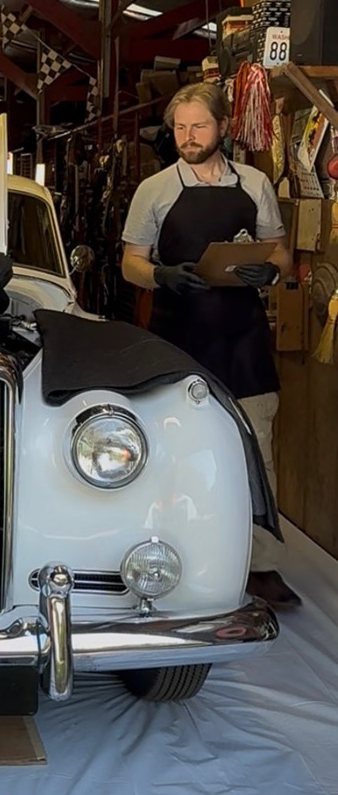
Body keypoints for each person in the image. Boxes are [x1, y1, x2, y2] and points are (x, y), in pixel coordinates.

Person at [120, 82, 301, 610]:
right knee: (178, 449)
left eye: (198, 126)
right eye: (179, 127)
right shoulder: (154, 189)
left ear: (222, 127)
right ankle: (172, 554)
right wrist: (161, 276)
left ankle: (261, 563)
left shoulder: (256, 184)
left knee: (257, 448)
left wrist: (267, 269)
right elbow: (131, 261)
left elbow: (283, 256)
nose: (188, 137)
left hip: (243, 336)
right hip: (179, 339)